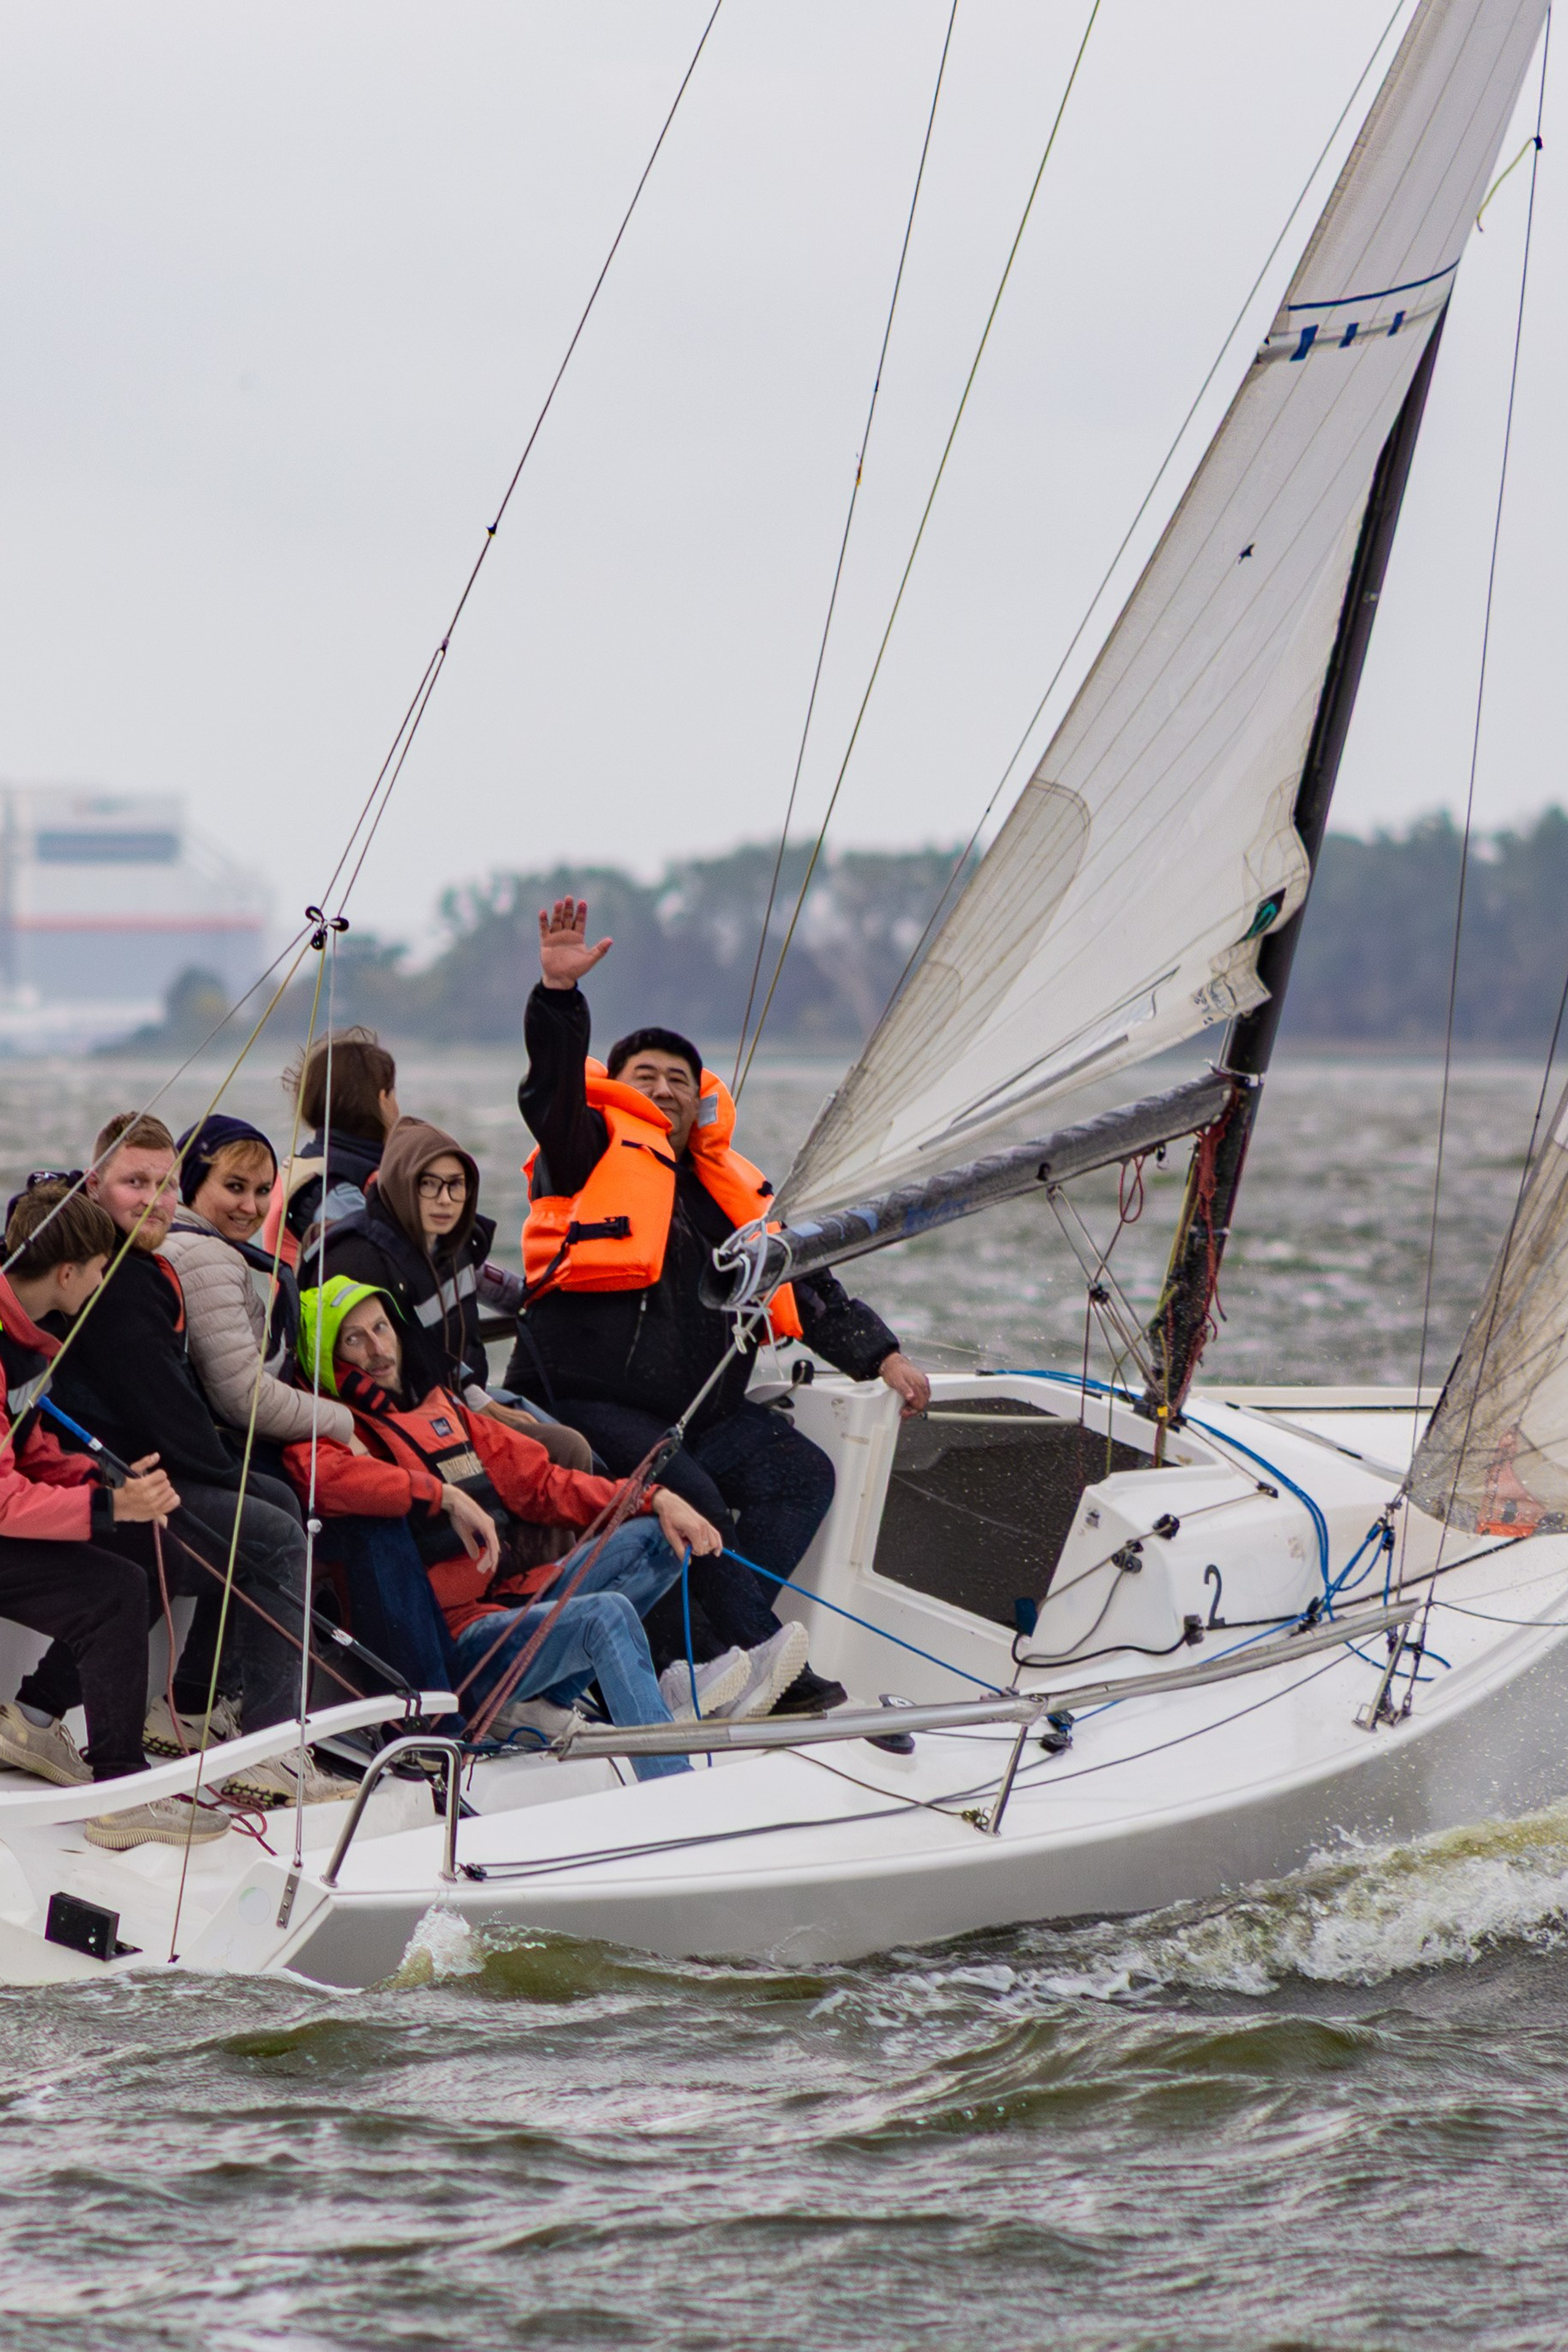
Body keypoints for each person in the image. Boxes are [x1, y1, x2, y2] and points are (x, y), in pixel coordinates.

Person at [505, 896, 932, 1711]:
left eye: (679, 1078)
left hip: (694, 1411)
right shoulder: (587, 1148)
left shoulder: (729, 1193)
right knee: (695, 1496)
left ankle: (729, 1648)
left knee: (799, 1473)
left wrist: (883, 1356)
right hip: (584, 1400)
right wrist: (559, 999)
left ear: (700, 1099)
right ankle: (723, 1663)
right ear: (618, 1090)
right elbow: (551, 1092)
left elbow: (806, 1280)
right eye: (646, 1076)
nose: (664, 1087)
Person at [284, 1280, 788, 1769]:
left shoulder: (442, 1409)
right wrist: (443, 1496)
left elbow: (544, 1483)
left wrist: (654, 1497)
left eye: (381, 1328)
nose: (377, 1349)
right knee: (604, 1616)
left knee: (659, 1537)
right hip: (460, 1648)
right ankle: (669, 1788)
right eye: (354, 1339)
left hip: (506, 1606)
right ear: (329, 1360)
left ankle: (536, 1705)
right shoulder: (325, 1430)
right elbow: (325, 1478)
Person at [42, 1112, 343, 1806]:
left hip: (128, 1465)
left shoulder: (136, 1263)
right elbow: (165, 1408)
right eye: (133, 1183)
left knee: (267, 1506)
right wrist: (227, 1470)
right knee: (268, 1532)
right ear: (95, 1186)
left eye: (163, 1184)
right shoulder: (112, 1276)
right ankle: (265, 1745)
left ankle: (193, 1704)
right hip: (97, 1480)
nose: (152, 1199)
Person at [0, 1182, 227, 1852]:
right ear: (68, 1272)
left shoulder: (21, 1335)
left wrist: (100, 1479)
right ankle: (121, 1787)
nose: (104, 1281)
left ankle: (37, 1715)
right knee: (115, 1589)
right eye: (102, 1268)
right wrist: (108, 1505)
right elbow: (4, 1499)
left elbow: (24, 1444)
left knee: (159, 1555)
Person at [161, 1113, 356, 1461]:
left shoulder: (174, 1238)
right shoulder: (206, 1256)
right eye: (235, 1187)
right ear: (190, 1183)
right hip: (223, 1451)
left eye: (263, 1191)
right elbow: (245, 1399)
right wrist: (344, 1422)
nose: (250, 1207)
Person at [277, 1027, 401, 1263]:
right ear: (382, 1101)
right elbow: (378, 1261)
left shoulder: (315, 1165)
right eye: (394, 1094)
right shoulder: (331, 1186)